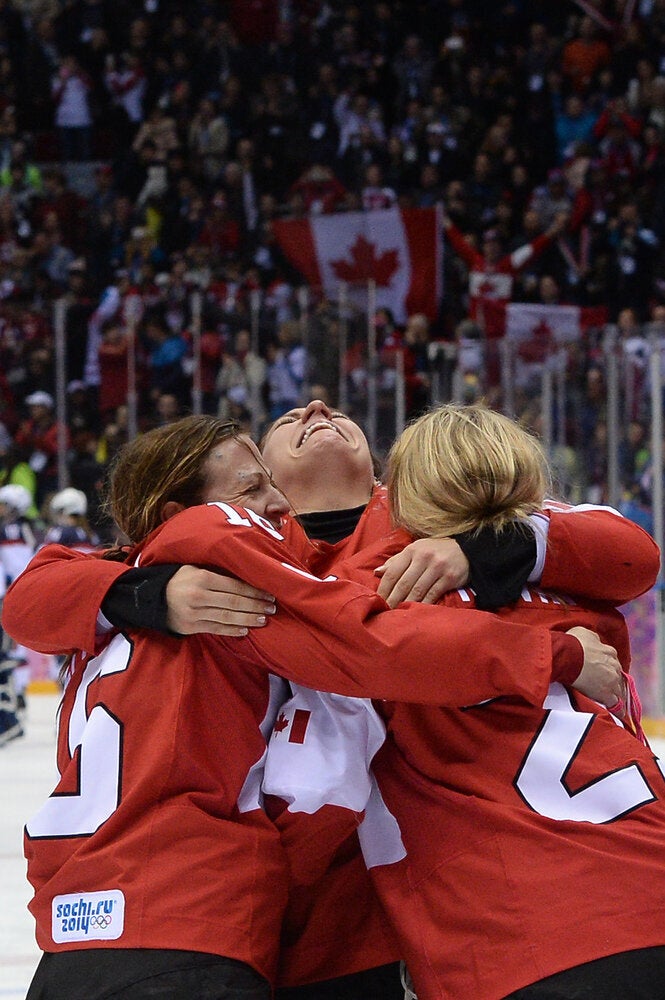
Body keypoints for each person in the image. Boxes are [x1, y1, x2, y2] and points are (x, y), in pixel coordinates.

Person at [6, 415, 617, 1000]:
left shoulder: (424, 528)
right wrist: (144, 590)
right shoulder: (232, 558)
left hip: (308, 920)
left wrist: (489, 549)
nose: (316, 408)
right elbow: (373, 642)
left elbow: (626, 549)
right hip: (229, 914)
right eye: (259, 478)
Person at [264, 404, 665, 1000]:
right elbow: (631, 554)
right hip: (636, 878)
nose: (316, 408)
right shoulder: (559, 577)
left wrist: (483, 548)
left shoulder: (369, 582)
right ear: (261, 491)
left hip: (501, 928)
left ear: (393, 483)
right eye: (286, 418)